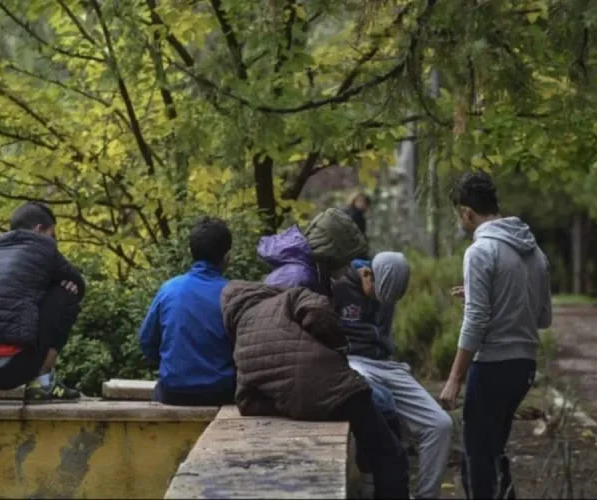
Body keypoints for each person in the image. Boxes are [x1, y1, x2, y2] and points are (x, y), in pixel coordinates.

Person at [220, 280, 410, 499]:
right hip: (339, 388)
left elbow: (246, 402)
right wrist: (335, 345)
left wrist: (287, 402)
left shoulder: (241, 339)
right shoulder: (286, 298)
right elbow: (318, 309)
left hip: (305, 406)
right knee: (389, 454)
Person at [439, 171, 552, 499]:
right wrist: (490, 295)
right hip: (524, 368)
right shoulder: (535, 252)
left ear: (466, 212)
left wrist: (454, 378)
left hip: (491, 367)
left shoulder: (480, 251)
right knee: (494, 450)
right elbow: (543, 317)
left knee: (477, 459)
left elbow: (476, 320)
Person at [333, 252, 453, 499]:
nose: (382, 302)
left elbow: (384, 335)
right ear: (368, 275)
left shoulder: (387, 293)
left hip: (385, 364)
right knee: (375, 400)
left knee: (440, 425)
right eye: (378, 295)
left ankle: (425, 495)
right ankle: (370, 482)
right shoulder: (338, 285)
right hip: (351, 361)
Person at [0, 202, 84, 403]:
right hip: (12, 367)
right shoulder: (43, 246)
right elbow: (78, 284)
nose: (54, 241)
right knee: (66, 293)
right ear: (39, 230)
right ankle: (42, 383)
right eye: (52, 234)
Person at [139, 216, 236, 406]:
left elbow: (147, 342)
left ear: (189, 251)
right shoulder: (234, 293)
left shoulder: (169, 289)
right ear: (227, 256)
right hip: (222, 391)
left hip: (174, 391)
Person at [258, 207, 368, 296]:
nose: (349, 265)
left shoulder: (317, 273)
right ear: (332, 253)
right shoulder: (296, 278)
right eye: (347, 259)